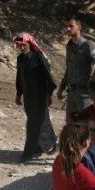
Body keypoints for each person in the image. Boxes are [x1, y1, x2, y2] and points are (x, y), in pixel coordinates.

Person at [13, 32, 57, 162]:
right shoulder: (20, 59)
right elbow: (19, 78)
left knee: (34, 123)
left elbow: (48, 77)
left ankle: (28, 152)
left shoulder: (38, 57)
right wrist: (18, 93)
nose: (20, 45)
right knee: (41, 121)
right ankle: (48, 145)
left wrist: (49, 94)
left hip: (40, 95)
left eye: (23, 42)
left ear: (28, 43)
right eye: (18, 43)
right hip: (28, 96)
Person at [56, 17, 95, 119]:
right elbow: (68, 69)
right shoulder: (69, 46)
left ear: (79, 27)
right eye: (67, 26)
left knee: (85, 124)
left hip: (84, 94)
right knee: (70, 126)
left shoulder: (87, 45)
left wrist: (92, 81)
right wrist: (61, 88)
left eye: (71, 26)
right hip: (71, 93)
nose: (68, 28)